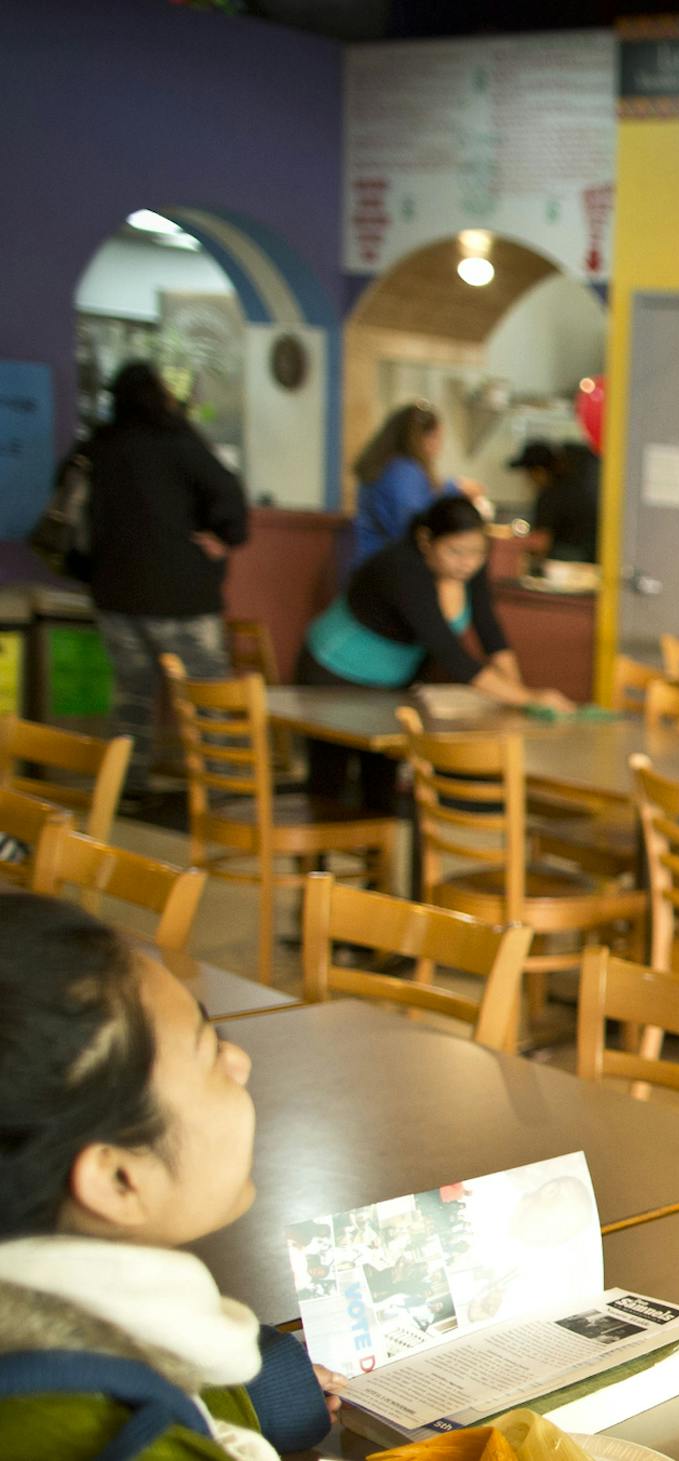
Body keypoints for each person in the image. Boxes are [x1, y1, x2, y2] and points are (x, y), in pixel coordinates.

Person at [0, 894, 345, 1459]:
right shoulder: (120, 1444)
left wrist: (257, 1395)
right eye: (208, 1052)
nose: (240, 1062)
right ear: (119, 1180)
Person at [300, 494, 572, 812]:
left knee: (381, 787)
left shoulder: (468, 569)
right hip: (333, 673)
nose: (467, 562)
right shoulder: (402, 568)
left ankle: (378, 844)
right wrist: (529, 699)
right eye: (456, 551)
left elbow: (491, 635)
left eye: (478, 552)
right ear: (426, 540)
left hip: (389, 687)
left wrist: (520, 695)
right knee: (329, 789)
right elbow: (451, 655)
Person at [79, 362, 249, 795]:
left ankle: (125, 787)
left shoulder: (98, 447)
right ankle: (220, 789)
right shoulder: (179, 442)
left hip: (113, 594)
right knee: (206, 696)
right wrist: (220, 536)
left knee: (132, 696)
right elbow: (229, 499)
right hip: (181, 593)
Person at [349, 402, 478, 567]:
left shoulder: (382, 465)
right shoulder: (404, 471)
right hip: (392, 566)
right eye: (438, 438)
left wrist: (453, 487)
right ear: (425, 438)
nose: (439, 446)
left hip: (370, 562)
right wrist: (455, 489)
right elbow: (411, 526)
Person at [509, 441, 601, 564]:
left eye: (528, 474)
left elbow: (542, 542)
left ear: (539, 471)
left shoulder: (550, 496)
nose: (528, 480)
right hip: (592, 557)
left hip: (567, 559)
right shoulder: (576, 486)